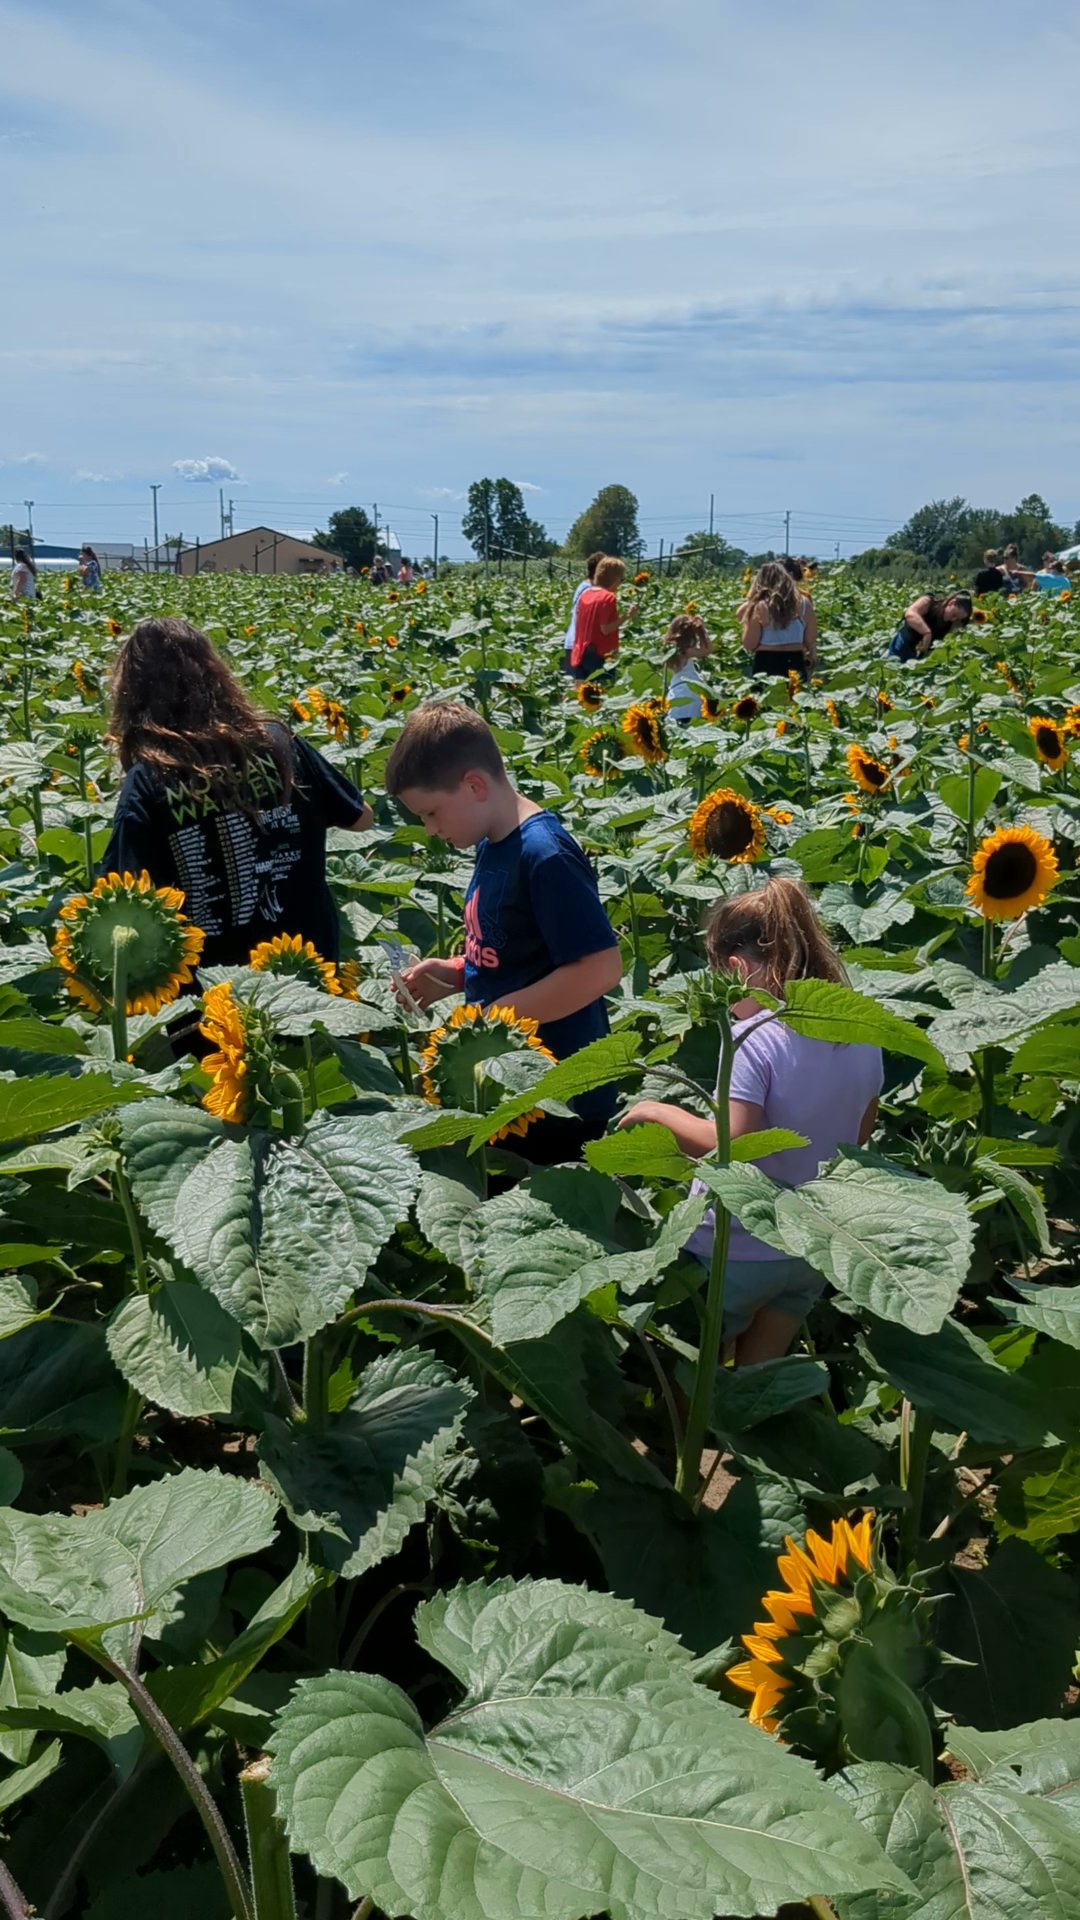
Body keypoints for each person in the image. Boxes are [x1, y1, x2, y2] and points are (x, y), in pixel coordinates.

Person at [619, 877, 882, 1364]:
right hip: (809, 1246)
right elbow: (858, 1137)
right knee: (759, 1382)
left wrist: (658, 1112)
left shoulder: (754, 1036)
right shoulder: (862, 1036)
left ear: (736, 969)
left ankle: (687, 1441)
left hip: (736, 1246)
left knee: (690, 1372)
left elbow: (734, 1141)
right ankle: (743, 1441)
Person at [385, 700, 622, 1161]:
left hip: (559, 1093)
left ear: (474, 785)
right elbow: (519, 952)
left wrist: (492, 1018)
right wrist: (456, 972)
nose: (430, 830)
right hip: (509, 1077)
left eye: (431, 813)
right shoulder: (492, 842)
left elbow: (599, 968)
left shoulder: (544, 854)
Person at [101, 617, 373, 969]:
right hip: (308, 974)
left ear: (132, 697)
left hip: (212, 994)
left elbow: (123, 895)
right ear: (215, 676)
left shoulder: (151, 778)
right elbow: (362, 818)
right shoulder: (278, 743)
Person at [737, 561, 817, 680]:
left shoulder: (760, 606)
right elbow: (810, 641)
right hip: (795, 661)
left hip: (766, 662)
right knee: (794, 696)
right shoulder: (805, 603)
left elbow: (749, 644)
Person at [569, 556, 634, 681]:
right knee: (602, 693)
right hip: (600, 655)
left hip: (580, 652)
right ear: (615, 579)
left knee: (580, 691)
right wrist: (627, 616)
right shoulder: (608, 597)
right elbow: (605, 629)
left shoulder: (585, 595)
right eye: (622, 579)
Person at [888, 590, 972, 661]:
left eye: (958, 619)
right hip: (904, 645)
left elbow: (952, 640)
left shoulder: (954, 623)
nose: (954, 619)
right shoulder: (930, 602)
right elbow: (910, 613)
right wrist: (926, 633)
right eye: (954, 615)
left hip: (926, 657)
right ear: (951, 602)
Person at [665, 614, 711, 722]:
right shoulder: (685, 651)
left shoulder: (669, 651)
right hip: (690, 693)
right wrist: (702, 631)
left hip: (676, 692)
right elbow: (708, 649)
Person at [562, 551, 604, 671]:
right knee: (595, 686)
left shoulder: (583, 587)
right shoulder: (592, 592)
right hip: (587, 650)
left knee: (575, 687)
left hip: (573, 644)